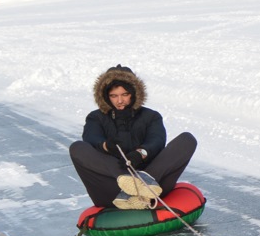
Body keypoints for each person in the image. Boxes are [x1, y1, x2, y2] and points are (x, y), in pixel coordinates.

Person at [70, 64, 198, 210]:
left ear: (134, 93)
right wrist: (106, 146)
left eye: (125, 94)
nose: (119, 101)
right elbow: (91, 137)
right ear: (105, 96)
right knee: (77, 147)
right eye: (114, 96)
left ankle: (143, 182)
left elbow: (156, 141)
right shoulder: (96, 118)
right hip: (111, 190)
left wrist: (141, 153)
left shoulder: (151, 117)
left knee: (187, 139)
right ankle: (128, 184)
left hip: (153, 186)